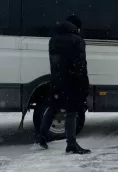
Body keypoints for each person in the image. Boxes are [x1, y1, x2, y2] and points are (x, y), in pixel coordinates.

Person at [37, 15, 91, 154]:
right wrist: (84, 84)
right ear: (75, 27)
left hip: (56, 80)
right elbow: (80, 65)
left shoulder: (53, 40)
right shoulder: (77, 40)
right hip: (72, 82)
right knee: (72, 113)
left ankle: (42, 138)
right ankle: (71, 144)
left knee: (52, 109)